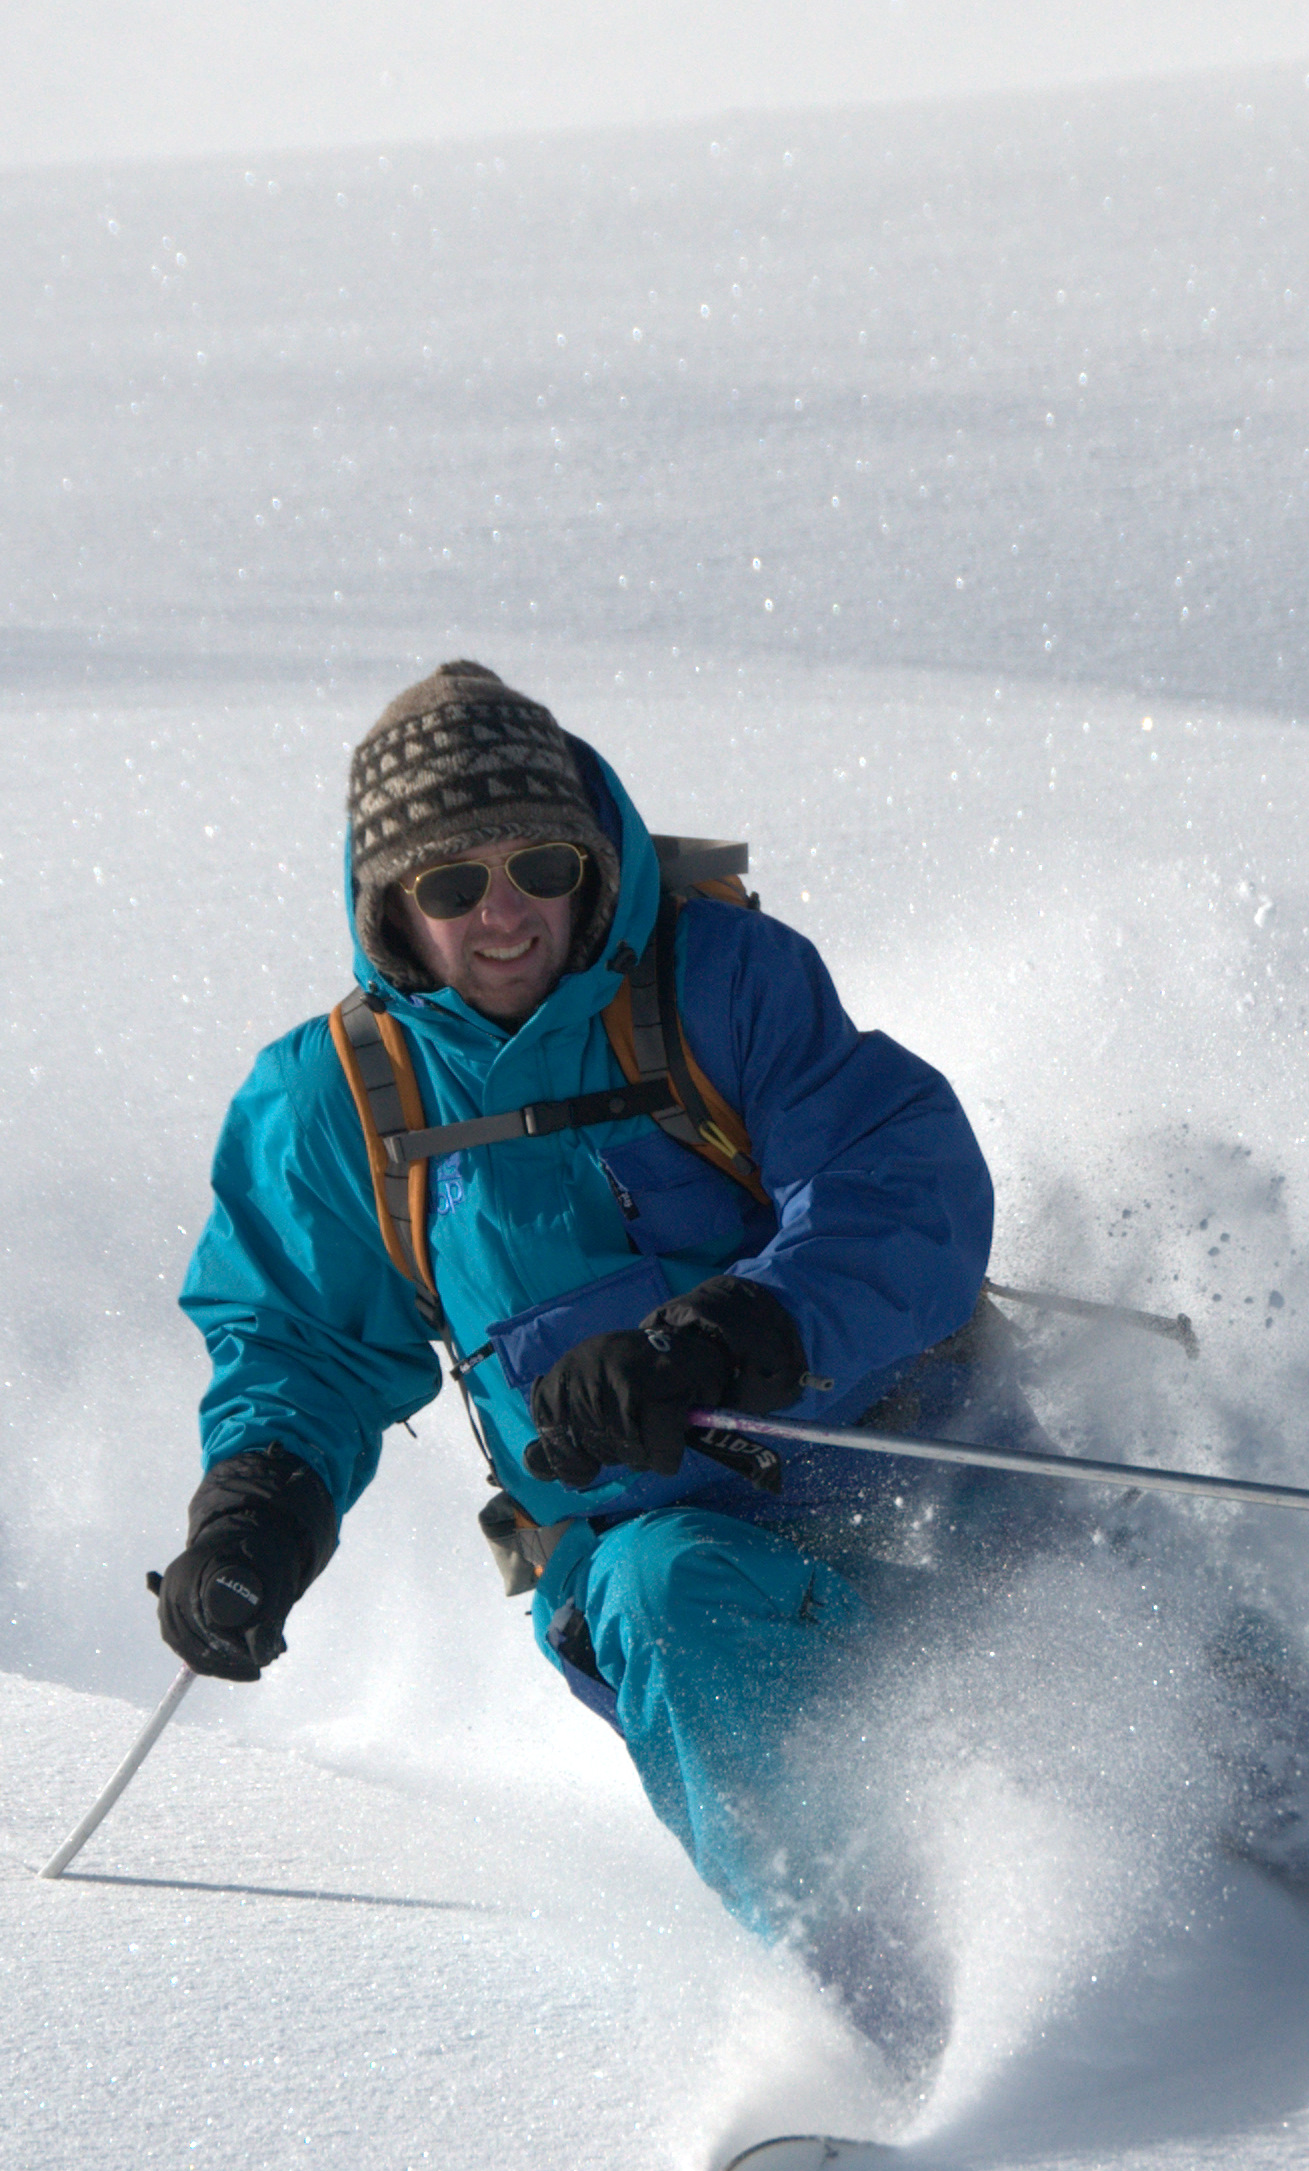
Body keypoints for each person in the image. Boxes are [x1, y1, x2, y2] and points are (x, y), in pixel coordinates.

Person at [155, 661, 995, 2022]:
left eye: (538, 863)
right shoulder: (336, 1101)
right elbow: (296, 1337)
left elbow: (897, 1176)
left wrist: (731, 1331)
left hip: (915, 1445)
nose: (503, 912)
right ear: (390, 907)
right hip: (676, 1550)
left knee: (1115, 1620)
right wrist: (257, 1510)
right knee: (667, 1605)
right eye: (449, 884)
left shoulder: (718, 977)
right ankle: (875, 2005)